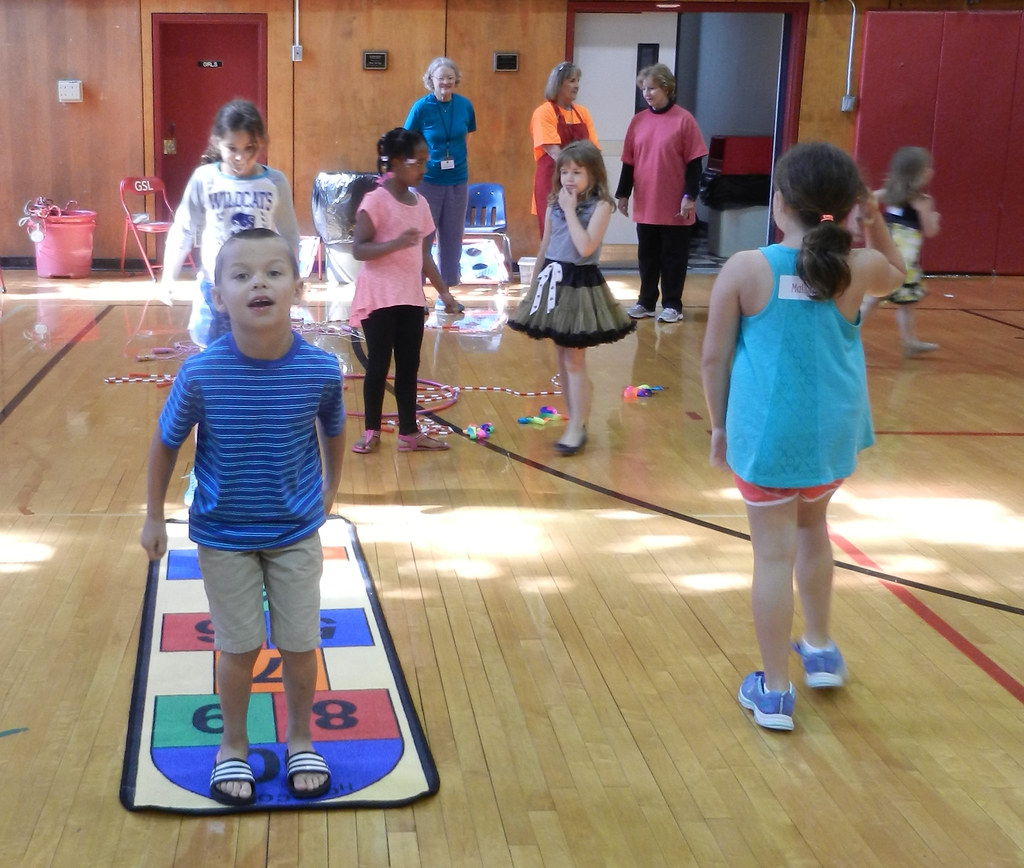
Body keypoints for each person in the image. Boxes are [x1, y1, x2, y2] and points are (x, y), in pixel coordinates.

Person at [700, 142, 906, 732]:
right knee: (814, 529)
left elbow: (713, 357)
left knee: (772, 555)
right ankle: (819, 650)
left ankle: (774, 691)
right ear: (846, 207)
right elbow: (899, 275)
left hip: (766, 441)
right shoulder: (857, 266)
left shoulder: (746, 268)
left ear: (781, 203)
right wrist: (873, 222)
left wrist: (719, 424)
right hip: (832, 438)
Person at [141, 228, 347, 805]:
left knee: (300, 644)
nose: (259, 282)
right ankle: (232, 745)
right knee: (239, 647)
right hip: (224, 534)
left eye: (274, 272)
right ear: (217, 297)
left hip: (294, 531)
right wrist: (153, 516)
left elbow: (334, 427)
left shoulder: (319, 369)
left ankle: (300, 738)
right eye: (242, 275)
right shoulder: (202, 373)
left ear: (298, 288)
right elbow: (165, 442)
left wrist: (331, 487)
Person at [508, 140, 635, 454]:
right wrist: (533, 288)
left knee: (575, 359)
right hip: (554, 280)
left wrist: (569, 210)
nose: (569, 178)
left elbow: (585, 247)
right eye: (564, 171)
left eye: (577, 172)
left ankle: (577, 425)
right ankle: (575, 418)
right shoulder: (555, 203)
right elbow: (546, 247)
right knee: (562, 358)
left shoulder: (601, 206)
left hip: (580, 284)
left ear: (593, 174)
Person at [348, 128, 461, 454]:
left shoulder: (421, 203)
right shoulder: (375, 201)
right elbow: (359, 249)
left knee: (409, 366)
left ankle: (409, 433)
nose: (424, 168)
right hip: (379, 298)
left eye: (426, 161)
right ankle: (371, 431)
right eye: (418, 162)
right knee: (379, 365)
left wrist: (444, 293)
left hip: (411, 298)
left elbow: (425, 255)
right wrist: (395, 243)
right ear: (396, 162)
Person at [162, 99, 300, 346]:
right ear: (217, 142)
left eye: (250, 148)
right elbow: (183, 228)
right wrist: (168, 277)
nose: (240, 157)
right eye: (232, 148)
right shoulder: (204, 179)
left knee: (263, 351)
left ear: (261, 143)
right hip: (216, 288)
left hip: (261, 288)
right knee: (212, 355)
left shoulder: (275, 182)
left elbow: (289, 236)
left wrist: (293, 280)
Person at [616, 63, 707, 324]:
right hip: (647, 203)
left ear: (666, 88)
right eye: (644, 88)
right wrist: (623, 194)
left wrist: (689, 196)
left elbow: (694, 164)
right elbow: (629, 162)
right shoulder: (638, 121)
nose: (646, 93)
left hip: (675, 204)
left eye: (652, 88)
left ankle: (672, 305)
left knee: (673, 257)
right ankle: (646, 302)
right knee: (647, 257)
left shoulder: (684, 120)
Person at [860, 146, 942, 357]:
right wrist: (935, 219)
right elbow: (930, 231)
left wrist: (862, 221)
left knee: (883, 300)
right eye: (927, 168)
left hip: (886, 256)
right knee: (899, 303)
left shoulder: (889, 194)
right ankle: (847, 337)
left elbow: (867, 201)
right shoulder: (923, 201)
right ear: (920, 174)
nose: (931, 171)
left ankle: (909, 341)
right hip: (903, 263)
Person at [404, 57, 477, 292]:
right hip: (427, 182)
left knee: (453, 238)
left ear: (456, 80)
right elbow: (406, 140)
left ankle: (447, 292)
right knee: (422, 237)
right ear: (431, 80)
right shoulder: (421, 107)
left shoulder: (465, 105)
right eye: (441, 78)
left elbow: (466, 138)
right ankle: (416, 293)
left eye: (450, 77)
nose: (446, 82)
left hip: (458, 180)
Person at [529, 62, 599, 235]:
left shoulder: (582, 113)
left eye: (578, 81)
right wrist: (574, 173)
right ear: (559, 84)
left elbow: (594, 150)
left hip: (582, 186)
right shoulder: (544, 112)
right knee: (553, 236)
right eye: (572, 81)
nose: (577, 85)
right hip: (551, 183)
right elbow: (554, 151)